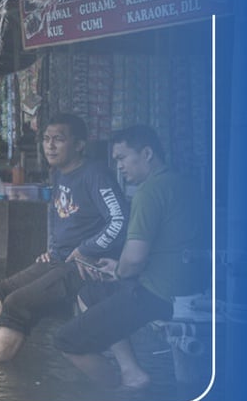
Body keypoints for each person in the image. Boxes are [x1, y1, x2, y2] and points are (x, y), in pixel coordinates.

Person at [53, 125, 209, 387]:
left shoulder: (148, 193)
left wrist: (118, 271)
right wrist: (118, 267)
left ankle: (121, 399)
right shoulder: (185, 183)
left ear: (147, 153)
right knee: (89, 294)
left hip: (158, 296)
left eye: (122, 158)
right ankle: (131, 371)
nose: (120, 167)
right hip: (192, 289)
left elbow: (134, 259)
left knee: (66, 340)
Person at [0, 113, 128, 362]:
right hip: (58, 258)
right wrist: (52, 247)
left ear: (79, 145)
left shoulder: (96, 174)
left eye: (58, 139)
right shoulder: (58, 173)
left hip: (83, 265)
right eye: (46, 139)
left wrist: (87, 248)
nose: (50, 145)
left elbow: (120, 220)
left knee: (17, 302)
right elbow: (58, 216)